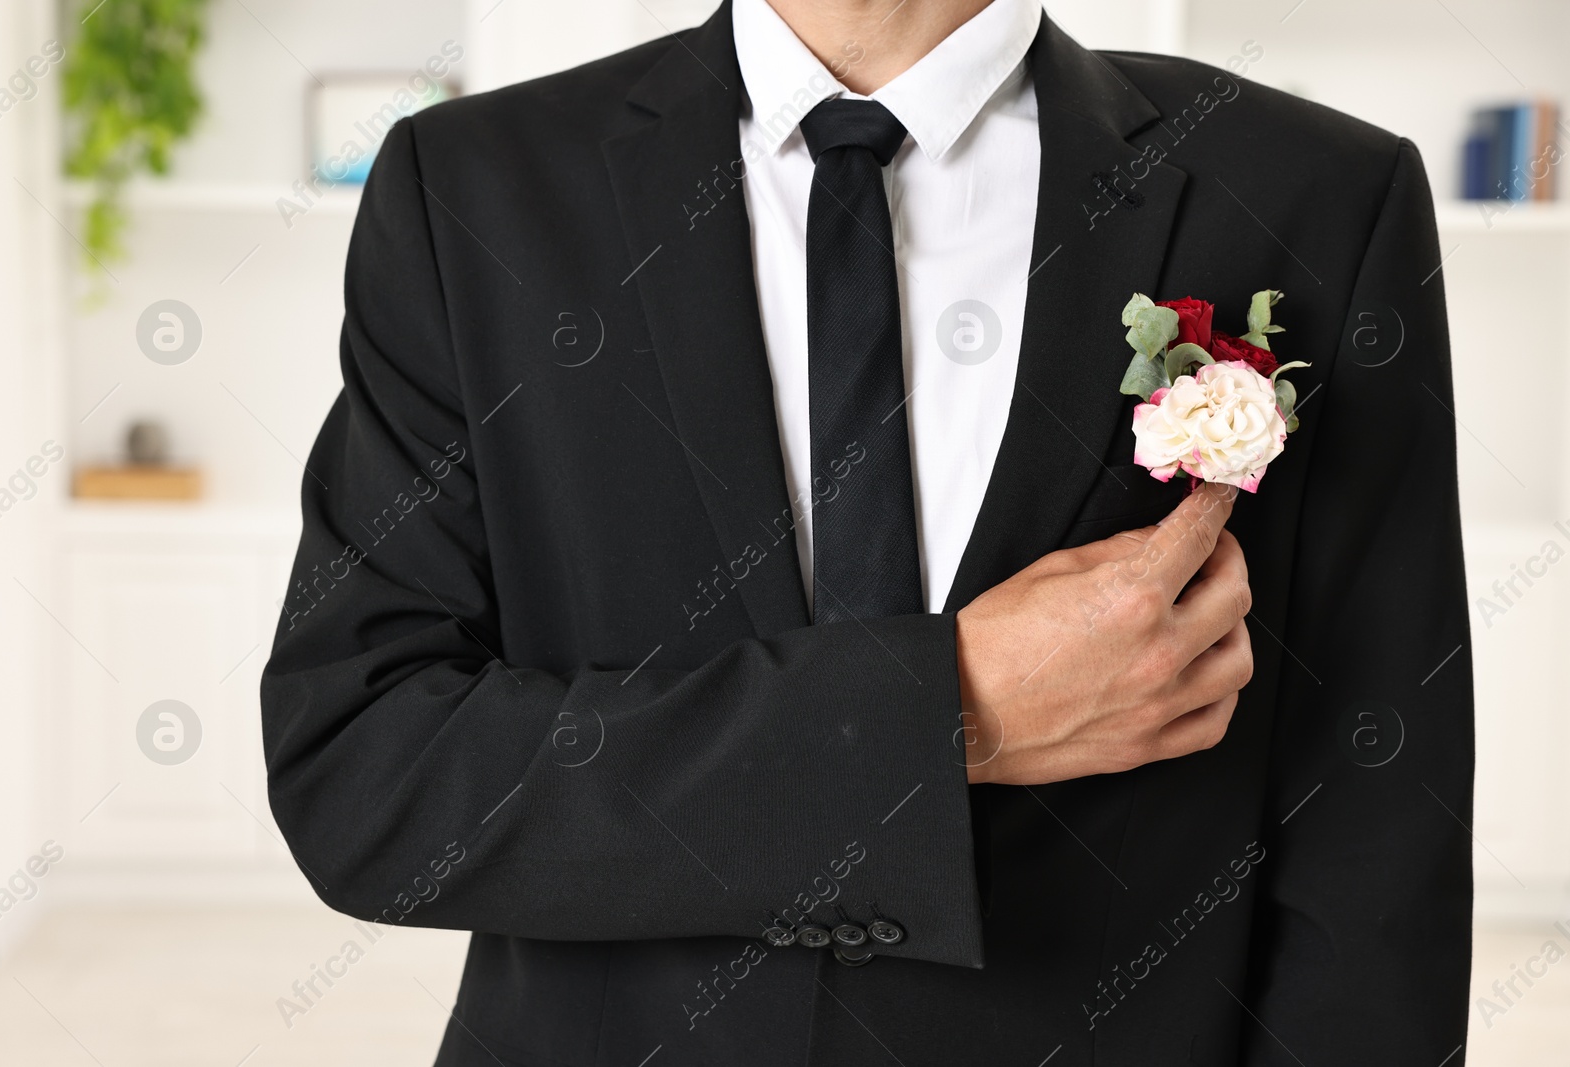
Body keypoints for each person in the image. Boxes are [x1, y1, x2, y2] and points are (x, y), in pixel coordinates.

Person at [260, 0, 1473, 1063]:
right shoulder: (472, 187)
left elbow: (1375, 829)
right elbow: (367, 774)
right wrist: (943, 713)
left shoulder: (1311, 193)